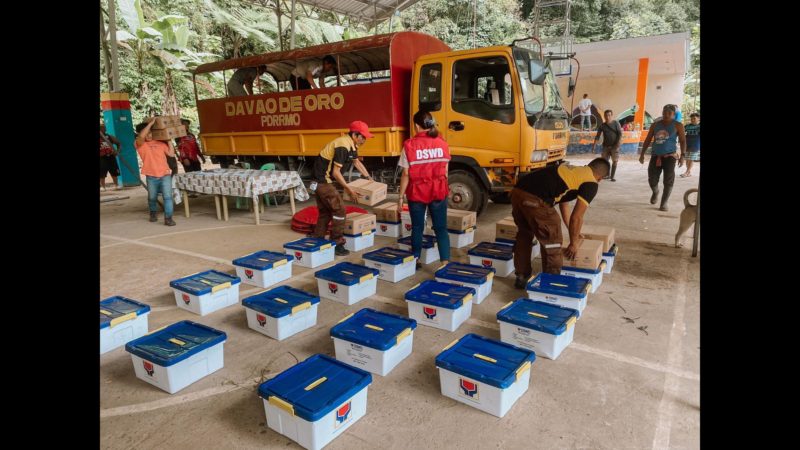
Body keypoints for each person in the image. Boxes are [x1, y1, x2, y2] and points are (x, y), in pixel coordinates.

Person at [510, 158, 610, 288]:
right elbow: (577, 217)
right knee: (553, 241)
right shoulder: (591, 183)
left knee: (525, 234)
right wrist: (574, 244)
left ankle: (521, 277)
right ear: (600, 178)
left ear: (588, 165)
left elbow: (564, 201)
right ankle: (550, 284)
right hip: (535, 200)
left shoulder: (573, 170)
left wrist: (571, 229)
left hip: (517, 193)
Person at [310, 121, 374, 256]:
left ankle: (318, 239)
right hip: (323, 181)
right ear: (355, 134)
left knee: (325, 212)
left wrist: (369, 178)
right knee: (339, 211)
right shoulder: (343, 145)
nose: (365, 140)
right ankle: (337, 243)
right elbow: (336, 173)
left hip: (319, 180)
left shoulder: (351, 144)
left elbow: (356, 162)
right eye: (363, 137)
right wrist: (348, 189)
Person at [397, 111, 452, 269]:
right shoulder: (443, 143)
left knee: (417, 227)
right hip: (438, 191)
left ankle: (416, 260)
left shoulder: (409, 145)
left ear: (416, 126)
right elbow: (446, 171)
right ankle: (445, 262)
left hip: (417, 193)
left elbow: (406, 174)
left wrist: (400, 198)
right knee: (441, 228)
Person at [639, 104, 687, 211]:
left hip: (670, 156)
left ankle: (664, 202)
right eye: (665, 112)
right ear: (662, 113)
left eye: (669, 113)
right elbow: (648, 139)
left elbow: (683, 141)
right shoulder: (655, 125)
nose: (666, 115)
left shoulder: (678, 125)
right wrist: (642, 154)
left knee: (668, 180)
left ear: (674, 115)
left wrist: (683, 156)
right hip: (656, 155)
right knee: (652, 179)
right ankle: (655, 192)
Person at [135, 118, 178, 226]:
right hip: (151, 175)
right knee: (152, 197)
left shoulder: (160, 143)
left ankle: (168, 218)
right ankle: (153, 213)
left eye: (151, 133)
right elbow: (141, 137)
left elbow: (171, 154)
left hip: (165, 174)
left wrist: (169, 141)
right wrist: (150, 124)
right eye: (147, 133)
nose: (149, 135)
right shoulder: (139, 144)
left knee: (168, 197)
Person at [592, 109, 623, 182]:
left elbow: (620, 134)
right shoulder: (602, 126)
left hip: (615, 146)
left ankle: (612, 176)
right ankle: (607, 174)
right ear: (604, 116)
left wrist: (617, 144)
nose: (607, 117)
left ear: (612, 116)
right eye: (606, 115)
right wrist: (594, 145)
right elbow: (597, 136)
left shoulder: (616, 123)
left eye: (609, 115)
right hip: (605, 146)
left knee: (615, 161)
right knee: (605, 161)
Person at [100, 122, 122, 191]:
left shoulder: (109, 137)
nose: (103, 129)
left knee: (114, 171)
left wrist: (117, 151)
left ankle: (116, 185)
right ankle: (103, 187)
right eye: (101, 128)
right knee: (101, 173)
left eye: (104, 128)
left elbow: (119, 143)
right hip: (101, 158)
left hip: (111, 156)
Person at [680, 113, 700, 177]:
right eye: (691, 119)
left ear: (698, 119)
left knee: (691, 158)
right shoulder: (687, 126)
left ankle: (686, 172)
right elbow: (681, 133)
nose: (692, 120)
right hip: (687, 144)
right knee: (687, 159)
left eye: (694, 118)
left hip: (695, 144)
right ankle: (688, 172)